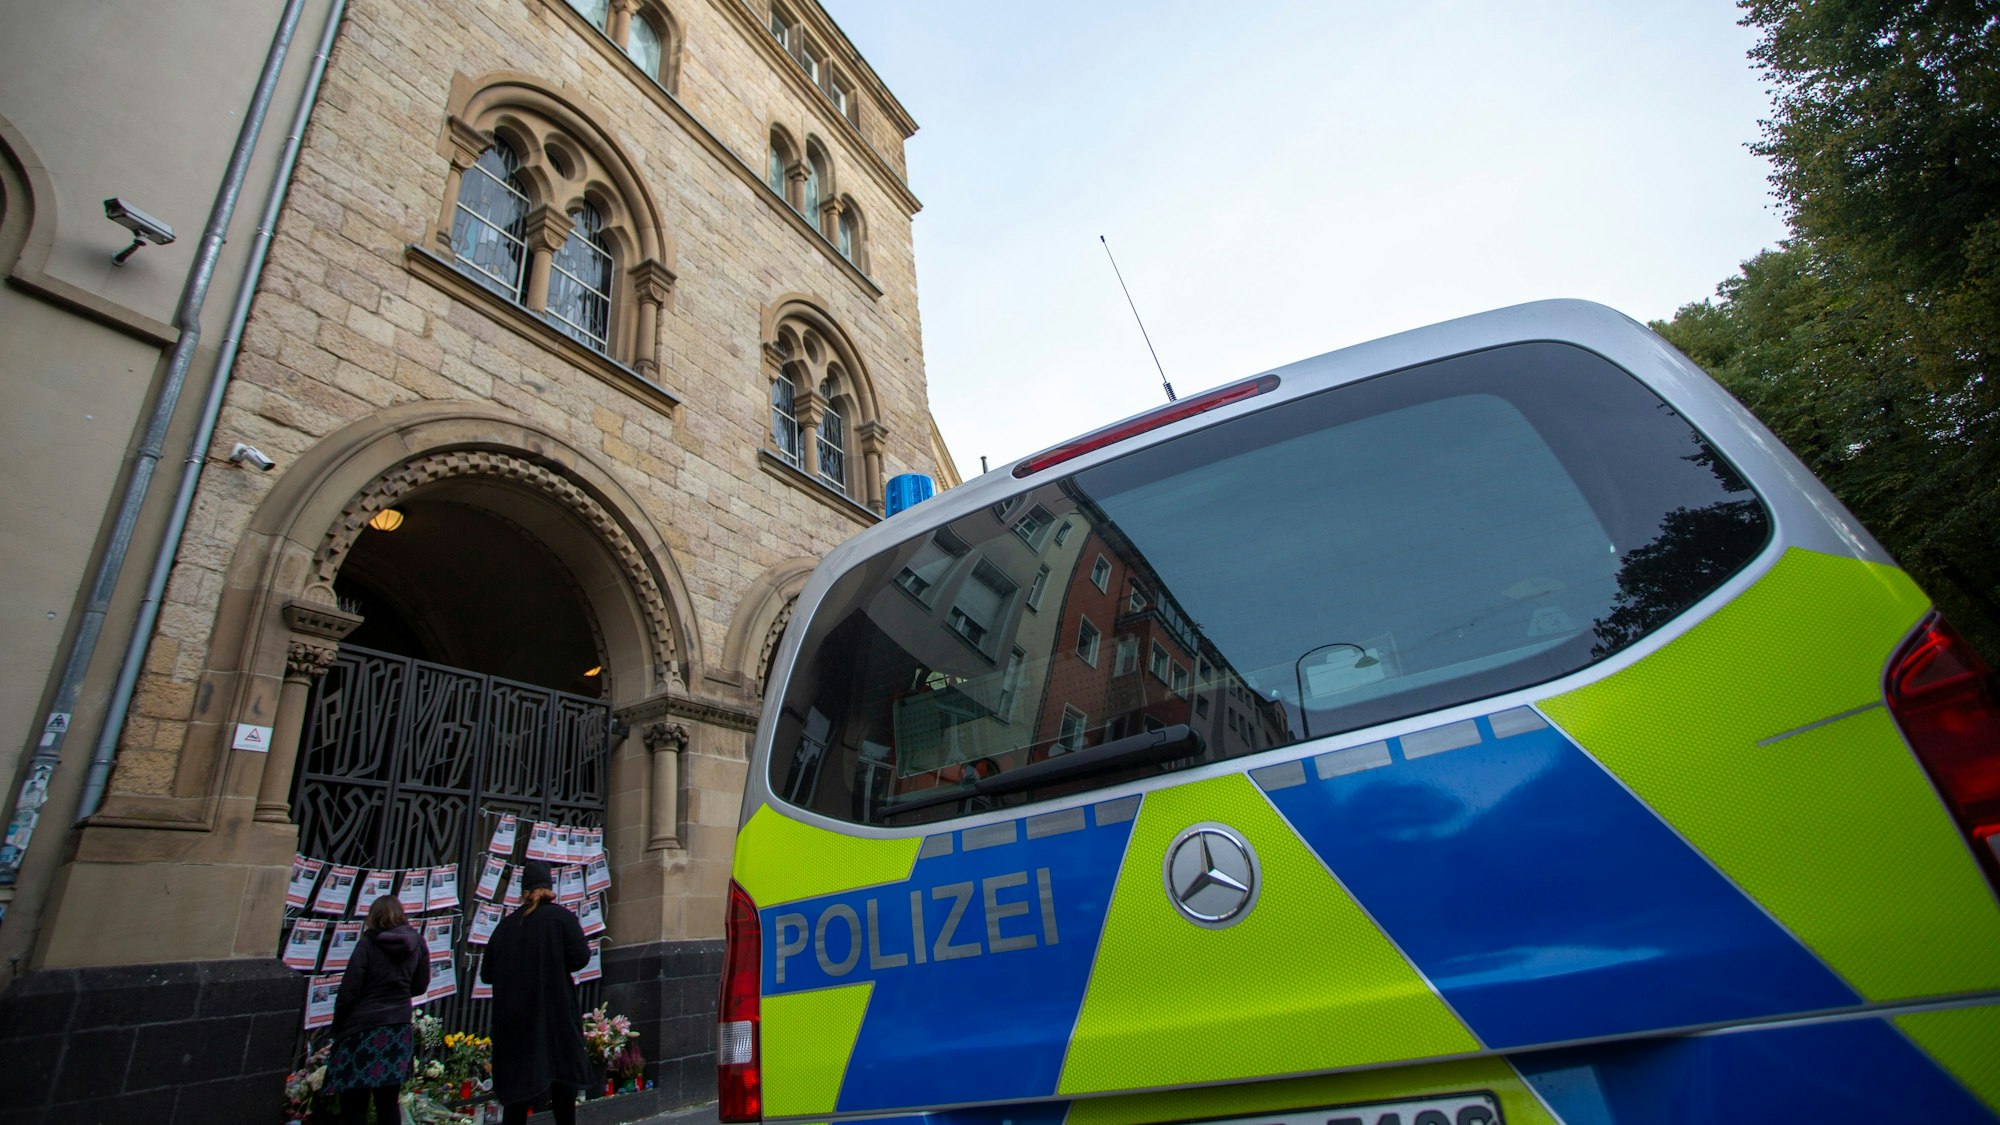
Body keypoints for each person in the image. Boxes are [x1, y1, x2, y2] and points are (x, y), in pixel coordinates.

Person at [482, 860, 591, 1125]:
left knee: (516, 1099)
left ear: (524, 890)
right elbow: (580, 957)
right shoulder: (561, 918)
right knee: (563, 1091)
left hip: (516, 1023)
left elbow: (487, 973)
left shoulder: (505, 927)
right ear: (550, 887)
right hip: (555, 1018)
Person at [327, 894, 430, 1125]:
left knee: (355, 1102)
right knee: (388, 1101)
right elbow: (421, 985)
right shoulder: (417, 943)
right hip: (397, 1027)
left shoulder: (367, 944)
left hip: (362, 1028)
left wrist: (338, 1025)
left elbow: (349, 990)